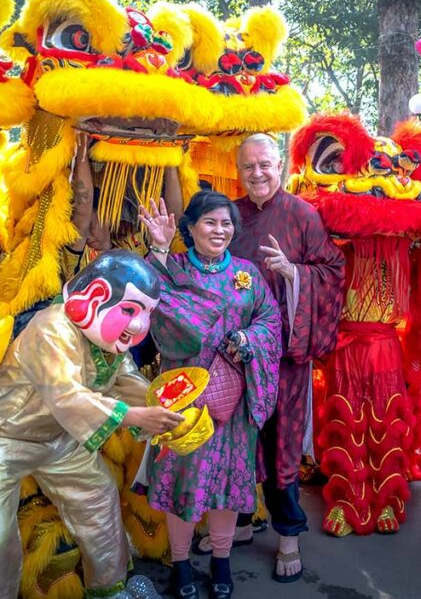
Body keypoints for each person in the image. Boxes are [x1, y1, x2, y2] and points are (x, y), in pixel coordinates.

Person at [0, 251, 183, 598]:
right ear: (95, 298)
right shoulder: (52, 328)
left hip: (57, 440)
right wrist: (135, 416)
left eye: (146, 314)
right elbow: (67, 396)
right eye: (129, 310)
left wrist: (165, 407)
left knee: (99, 500)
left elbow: (128, 381)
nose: (138, 325)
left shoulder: (106, 342)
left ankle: (109, 590)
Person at [139, 191, 283, 599]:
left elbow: (270, 322)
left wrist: (247, 338)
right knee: (180, 479)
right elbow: (150, 300)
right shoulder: (173, 267)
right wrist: (160, 249)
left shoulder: (247, 274)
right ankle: (181, 565)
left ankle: (222, 562)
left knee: (227, 483)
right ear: (191, 228)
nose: (220, 230)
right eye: (210, 222)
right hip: (183, 396)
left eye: (226, 223)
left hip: (231, 400)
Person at [225, 134, 346, 582]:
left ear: (281, 167)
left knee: (281, 441)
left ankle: (289, 534)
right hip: (236, 353)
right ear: (239, 171)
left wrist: (294, 273)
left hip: (284, 356)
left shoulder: (302, 215)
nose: (257, 173)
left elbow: (333, 269)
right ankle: (239, 521)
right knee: (236, 438)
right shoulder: (230, 215)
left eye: (265, 165)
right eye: (248, 167)